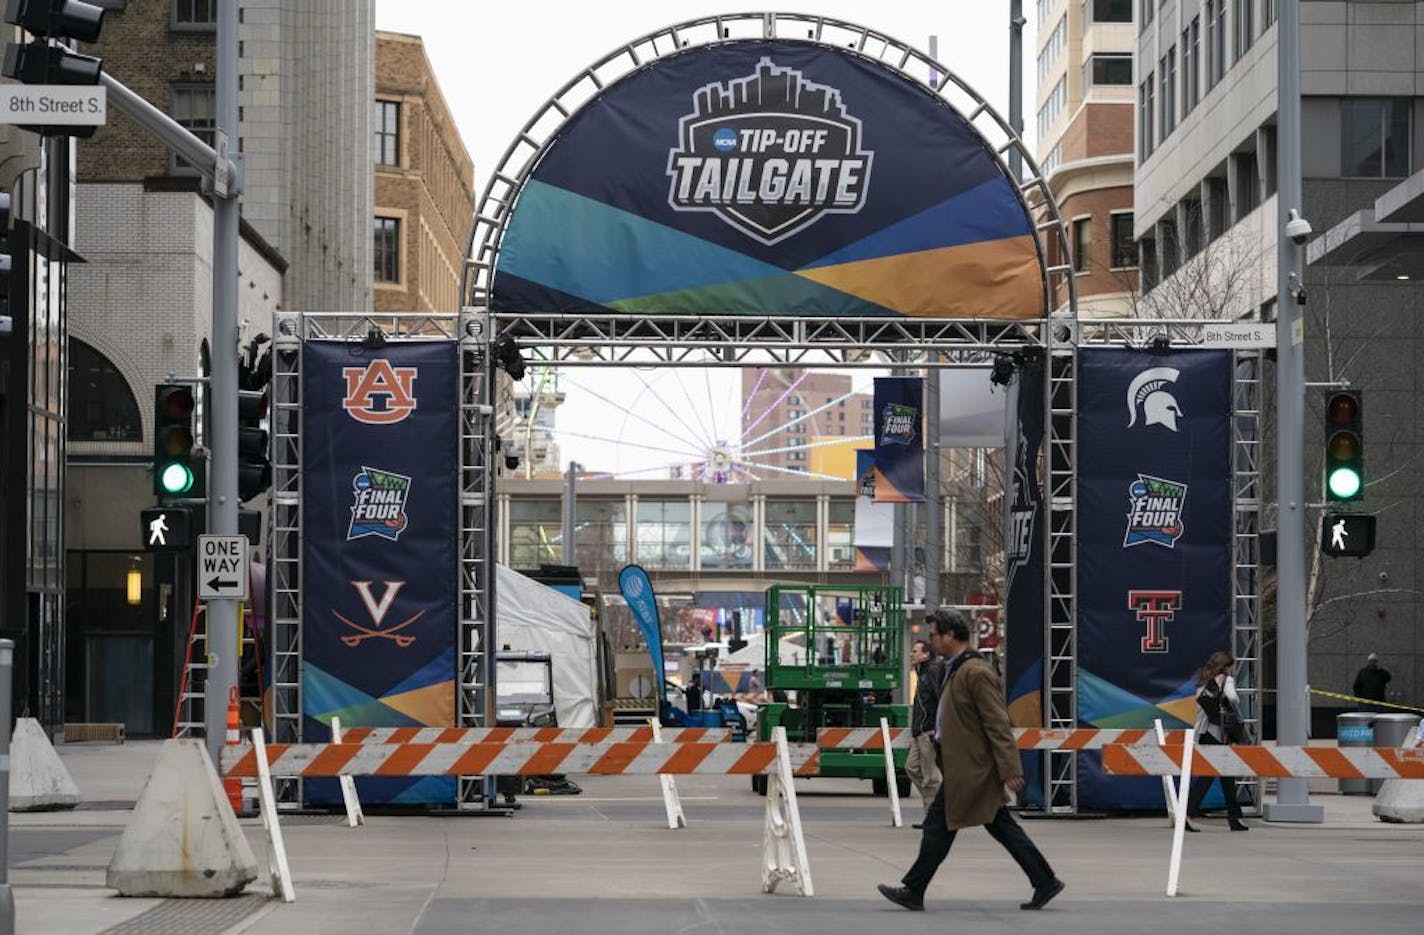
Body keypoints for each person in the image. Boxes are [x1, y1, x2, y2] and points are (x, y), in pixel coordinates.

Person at [877, 609, 1064, 912]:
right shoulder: (955, 668)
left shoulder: (975, 672)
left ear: (951, 635)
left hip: (972, 770)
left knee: (939, 827)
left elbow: (997, 723)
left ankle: (913, 890)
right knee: (998, 826)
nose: (932, 641)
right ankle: (1045, 881)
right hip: (964, 767)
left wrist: (1010, 768)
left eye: (935, 635)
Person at [1184, 651, 1248, 832]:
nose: (1234, 670)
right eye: (1232, 666)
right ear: (1226, 667)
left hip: (1205, 733)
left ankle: (1234, 817)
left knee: (1226, 775)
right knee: (1210, 775)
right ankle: (1187, 813)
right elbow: (1233, 697)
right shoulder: (1225, 680)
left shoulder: (1203, 682)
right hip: (1217, 734)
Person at [905, 638, 943, 828]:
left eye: (915, 651)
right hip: (919, 732)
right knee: (911, 768)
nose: (912, 654)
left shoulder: (933, 671)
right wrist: (913, 733)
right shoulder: (922, 673)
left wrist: (937, 728)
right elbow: (920, 706)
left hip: (928, 731)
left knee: (931, 777)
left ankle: (933, 817)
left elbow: (941, 701)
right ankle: (938, 804)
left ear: (926, 654)